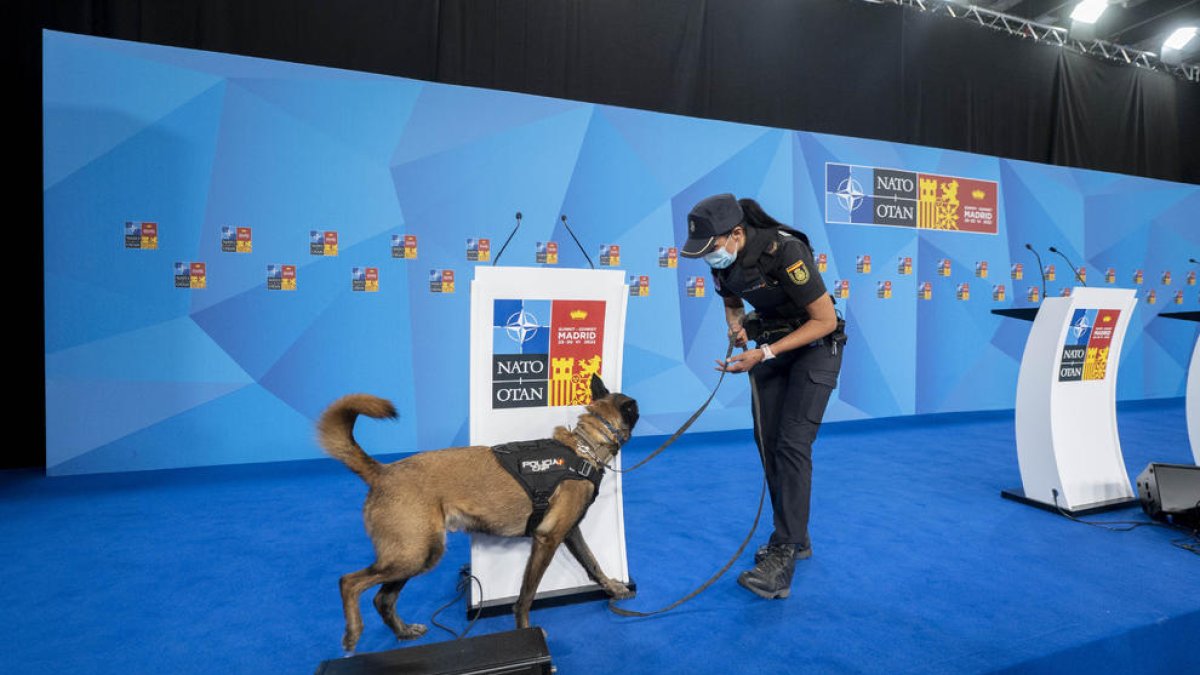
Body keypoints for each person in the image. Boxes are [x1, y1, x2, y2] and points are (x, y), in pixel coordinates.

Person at [679, 193, 844, 600]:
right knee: (769, 445)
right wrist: (738, 327)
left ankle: (783, 554)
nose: (709, 258)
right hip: (769, 346)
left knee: (791, 444)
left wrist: (764, 352)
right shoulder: (723, 263)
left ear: (736, 233)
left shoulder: (785, 250)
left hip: (816, 348)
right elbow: (732, 302)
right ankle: (797, 536)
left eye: (713, 248)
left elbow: (824, 321)